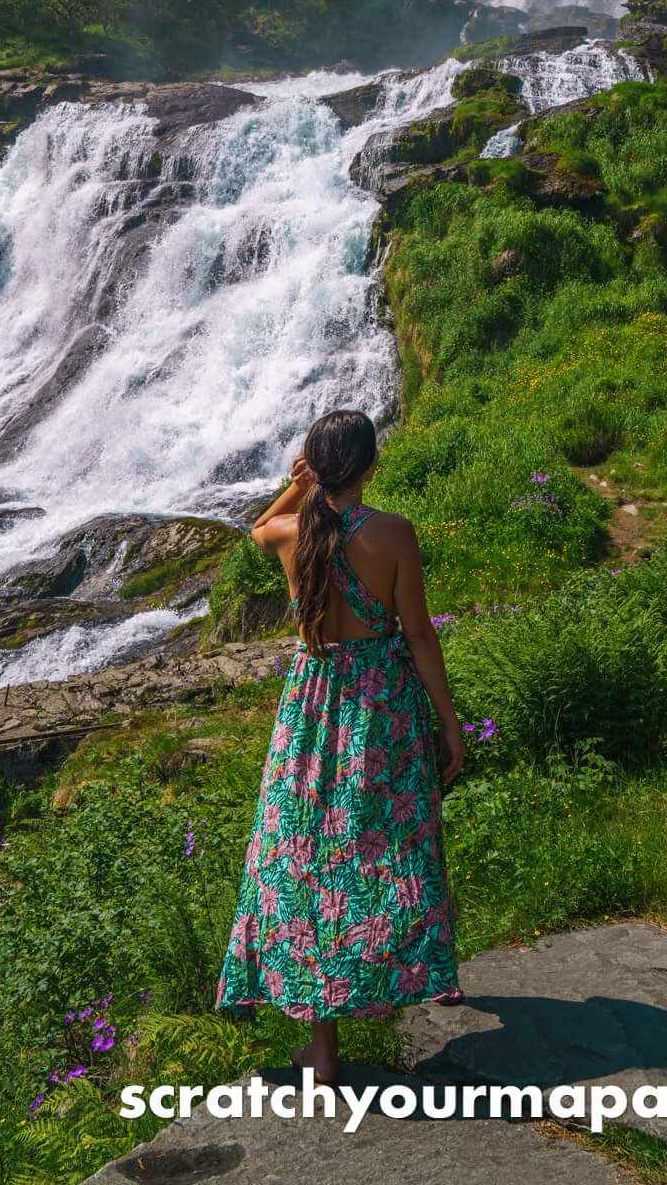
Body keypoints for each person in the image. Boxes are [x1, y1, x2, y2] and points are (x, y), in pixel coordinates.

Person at [216, 407, 464, 1082]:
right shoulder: (394, 535)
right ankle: (420, 974)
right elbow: (419, 635)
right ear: (372, 465)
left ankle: (321, 1053)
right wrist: (448, 720)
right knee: (396, 841)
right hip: (380, 707)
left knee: (310, 862)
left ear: (315, 468)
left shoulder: (293, 535)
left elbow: (256, 528)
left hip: (312, 707)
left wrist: (297, 487)